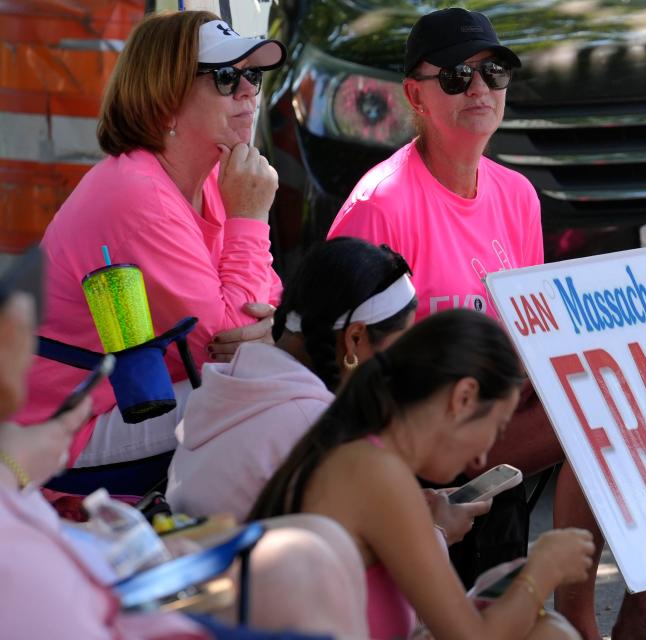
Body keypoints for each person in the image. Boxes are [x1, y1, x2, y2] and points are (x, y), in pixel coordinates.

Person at [327, 8, 646, 640]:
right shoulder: (381, 205)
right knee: (604, 414)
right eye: (458, 75)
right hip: (415, 442)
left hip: (493, 415)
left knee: (629, 386)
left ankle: (636, 611)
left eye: (495, 72)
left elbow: (529, 336)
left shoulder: (516, 195)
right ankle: (593, 622)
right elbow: (341, 363)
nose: (480, 89)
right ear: (414, 94)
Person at [0, 257, 368, 640]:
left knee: (315, 546)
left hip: (118, 582)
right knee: (313, 561)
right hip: (125, 612)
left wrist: (17, 466)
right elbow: (221, 329)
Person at [14, 11, 286, 492]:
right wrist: (251, 219)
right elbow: (222, 349)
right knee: (266, 402)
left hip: (133, 396)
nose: (248, 91)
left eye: (253, 75)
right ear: (165, 100)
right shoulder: (138, 195)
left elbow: (264, 300)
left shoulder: (211, 176)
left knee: (283, 390)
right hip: (63, 424)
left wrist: (258, 329)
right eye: (226, 77)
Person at [249, 309, 594, 640]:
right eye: (496, 427)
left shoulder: (360, 448)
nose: (484, 454)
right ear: (463, 397)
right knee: (552, 633)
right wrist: (542, 570)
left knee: (547, 631)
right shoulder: (379, 474)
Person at [166, 238, 420, 520]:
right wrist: (436, 527)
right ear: (355, 338)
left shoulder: (234, 379)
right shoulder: (316, 426)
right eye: (398, 348)